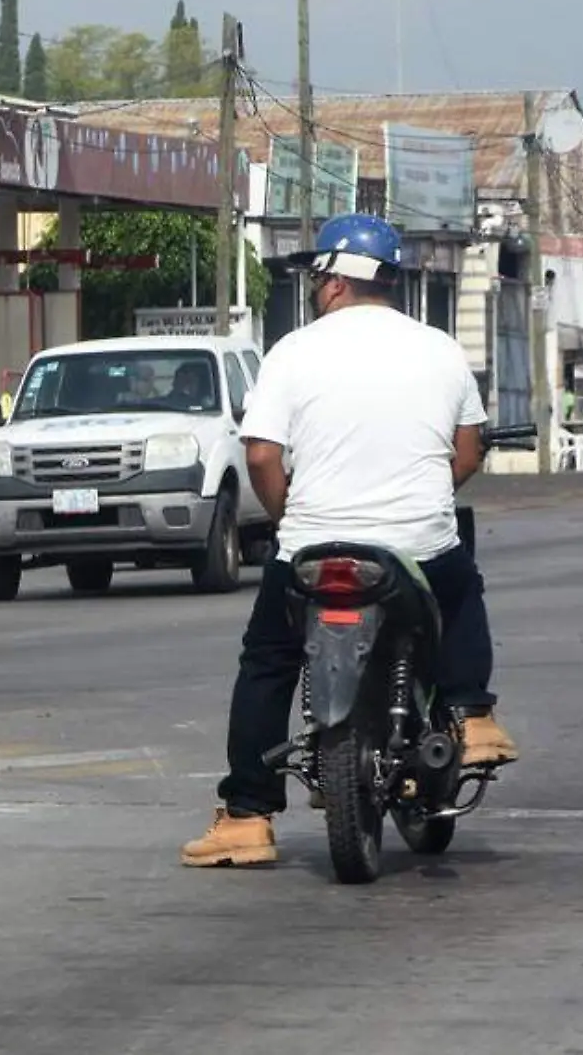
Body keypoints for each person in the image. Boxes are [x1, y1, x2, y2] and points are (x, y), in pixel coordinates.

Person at [181, 212, 517, 868]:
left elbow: (260, 456)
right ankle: (472, 716)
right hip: (417, 544)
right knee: (460, 589)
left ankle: (247, 818)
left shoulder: (293, 351)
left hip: (312, 544)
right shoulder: (439, 347)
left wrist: (288, 520)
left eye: (316, 277)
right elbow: (469, 449)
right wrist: (421, 502)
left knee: (270, 663)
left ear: (334, 281)